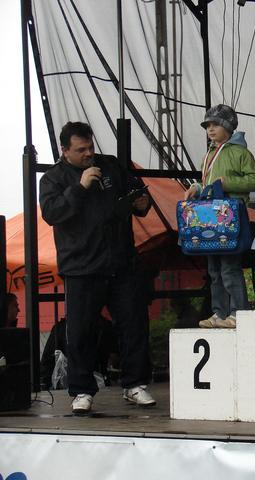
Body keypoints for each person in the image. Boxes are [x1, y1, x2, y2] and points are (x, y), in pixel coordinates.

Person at [39, 121, 155, 414]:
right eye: (81, 150)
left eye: (90, 147)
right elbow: (52, 213)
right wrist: (80, 187)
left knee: (133, 324)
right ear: (65, 151)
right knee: (81, 332)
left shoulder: (111, 165)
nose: (89, 153)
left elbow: (138, 194)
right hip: (81, 267)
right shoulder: (53, 179)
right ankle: (81, 390)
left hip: (121, 261)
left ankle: (135, 384)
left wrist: (141, 202)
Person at [185, 104, 255, 329]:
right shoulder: (208, 155)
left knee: (230, 268)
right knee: (214, 270)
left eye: (215, 125)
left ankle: (239, 312)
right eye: (207, 125)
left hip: (231, 219)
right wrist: (197, 188)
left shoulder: (241, 153)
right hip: (211, 221)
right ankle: (219, 312)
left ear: (228, 127)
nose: (210, 129)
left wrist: (228, 183)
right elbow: (208, 184)